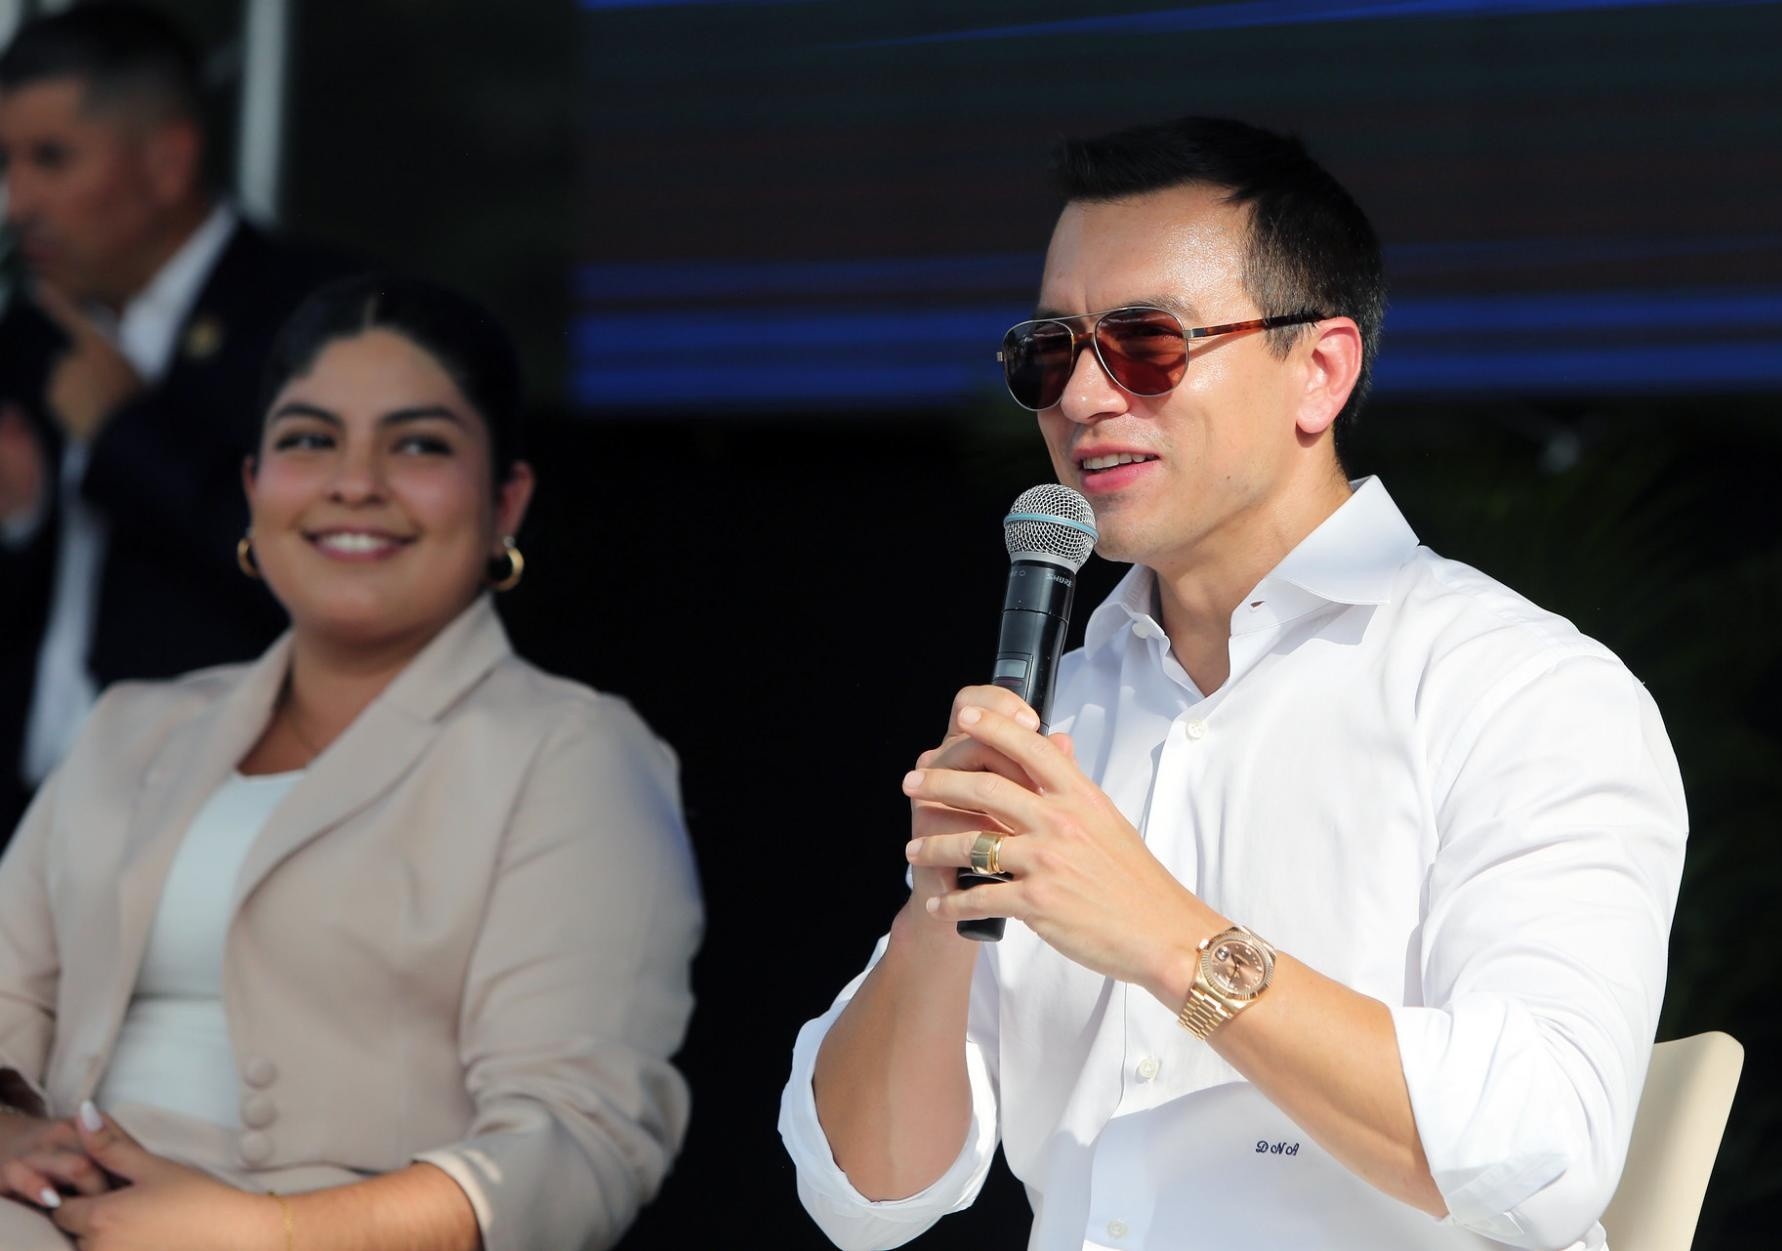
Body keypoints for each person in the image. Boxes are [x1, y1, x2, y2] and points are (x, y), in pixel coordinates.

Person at [779, 118, 1687, 1251]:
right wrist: (935, 911)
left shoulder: (1520, 691)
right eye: (1049, 352)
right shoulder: (1059, 716)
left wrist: (1170, 941)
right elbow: (864, 1197)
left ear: (1319, 372)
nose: (1084, 397)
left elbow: (1544, 1152)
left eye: (1145, 343)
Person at [0, 275, 703, 1251]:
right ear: (254, 487)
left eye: (418, 445)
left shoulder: (572, 754)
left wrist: (272, 1232)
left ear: (506, 500)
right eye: (309, 440)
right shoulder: (132, 727)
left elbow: (578, 1144)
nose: (354, 482)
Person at [0, 3, 353, 840]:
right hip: (32, 821)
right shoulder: (30, 333)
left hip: (227, 820)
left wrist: (127, 432)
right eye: (6, 163)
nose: (19, 201)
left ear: (167, 162)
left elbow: (323, 571)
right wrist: (19, 514)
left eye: (51, 159)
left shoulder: (316, 321)